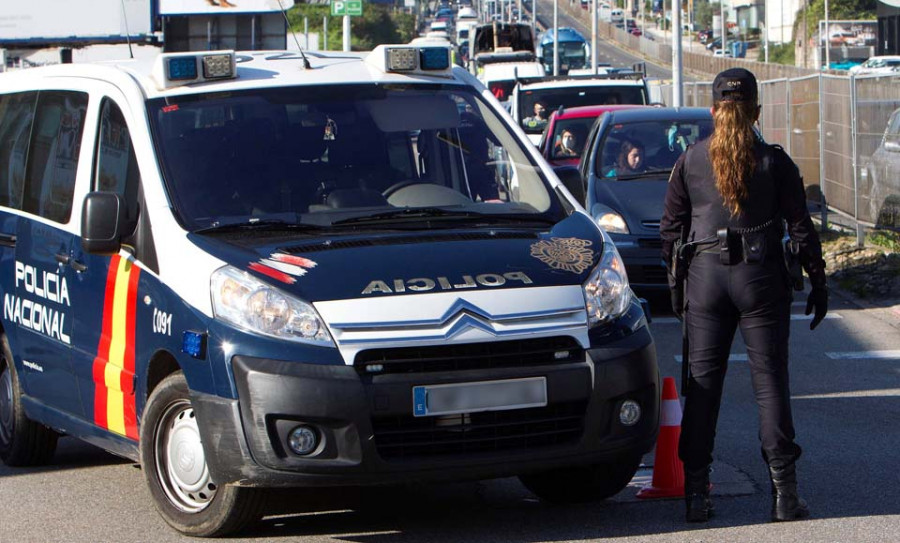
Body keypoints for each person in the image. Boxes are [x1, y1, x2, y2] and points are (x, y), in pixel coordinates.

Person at [659, 68, 827, 524]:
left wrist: (678, 287)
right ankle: (784, 497)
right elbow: (800, 228)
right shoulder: (774, 161)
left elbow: (670, 230)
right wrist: (818, 279)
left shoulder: (691, 160)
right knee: (770, 383)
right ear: (756, 110)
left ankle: (696, 496)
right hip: (761, 278)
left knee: (702, 385)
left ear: (713, 111)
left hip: (706, 279)